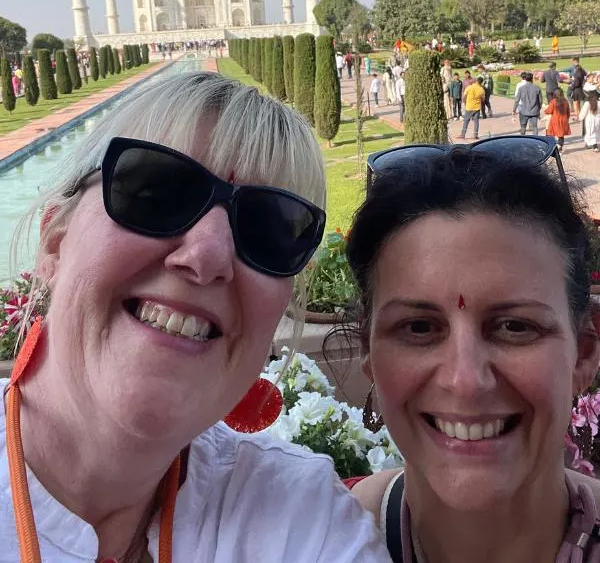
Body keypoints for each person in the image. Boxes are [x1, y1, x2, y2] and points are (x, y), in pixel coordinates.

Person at [0, 72, 388, 561]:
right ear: (54, 242)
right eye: (157, 193)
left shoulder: (299, 519)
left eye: (269, 228)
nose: (207, 257)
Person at [349, 142, 600, 562]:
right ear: (369, 353)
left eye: (516, 327)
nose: (465, 381)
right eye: (419, 328)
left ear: (584, 354)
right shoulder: (313, 543)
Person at [459, 76, 485, 140]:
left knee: (466, 121)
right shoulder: (481, 89)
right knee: (476, 122)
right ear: (481, 82)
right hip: (477, 107)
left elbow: (464, 96)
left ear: (476, 81)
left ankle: (463, 135)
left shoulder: (469, 87)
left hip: (469, 107)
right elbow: (483, 99)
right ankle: (475, 135)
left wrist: (463, 102)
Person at [571, 57, 588, 121]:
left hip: (577, 88)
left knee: (575, 102)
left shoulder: (577, 69)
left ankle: (577, 117)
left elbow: (577, 80)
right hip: (581, 87)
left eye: (572, 62)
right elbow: (585, 74)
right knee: (578, 103)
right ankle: (580, 115)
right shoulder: (581, 68)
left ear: (574, 61)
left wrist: (572, 85)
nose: (572, 63)